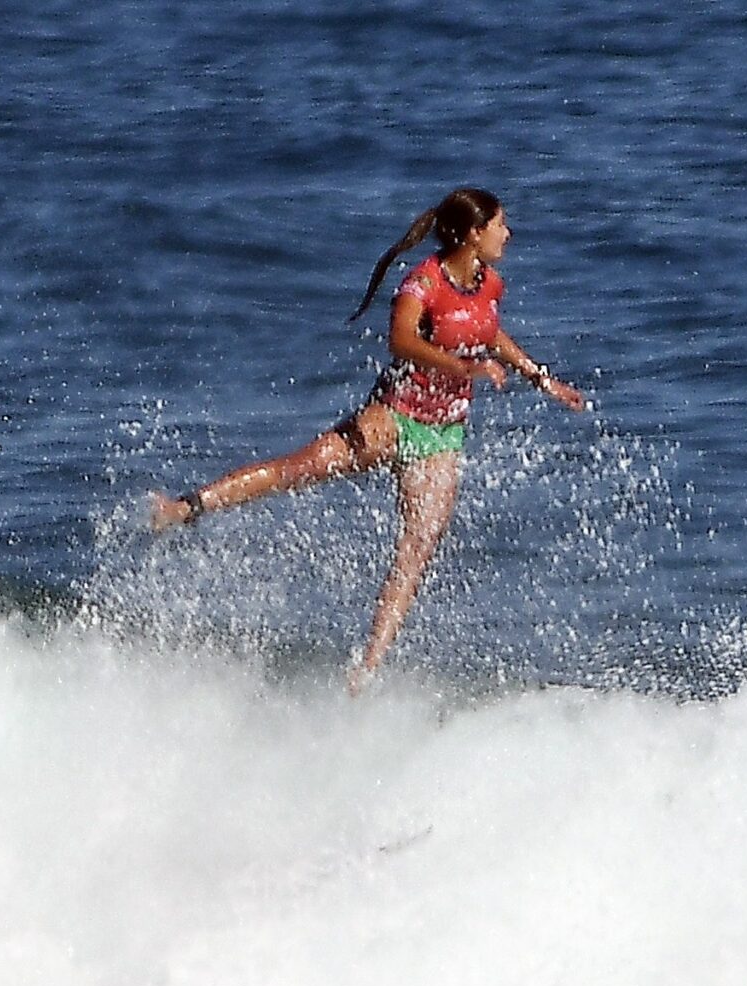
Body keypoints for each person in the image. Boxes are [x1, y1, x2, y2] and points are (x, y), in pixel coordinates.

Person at [151, 187, 589, 689]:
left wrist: (540, 377)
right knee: (301, 468)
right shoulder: (421, 283)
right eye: (500, 225)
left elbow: (488, 332)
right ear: (473, 234)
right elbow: (401, 340)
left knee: (418, 547)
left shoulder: (490, 283)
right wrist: (463, 366)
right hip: (395, 415)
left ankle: (366, 668)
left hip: (443, 434)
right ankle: (184, 509)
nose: (507, 234)